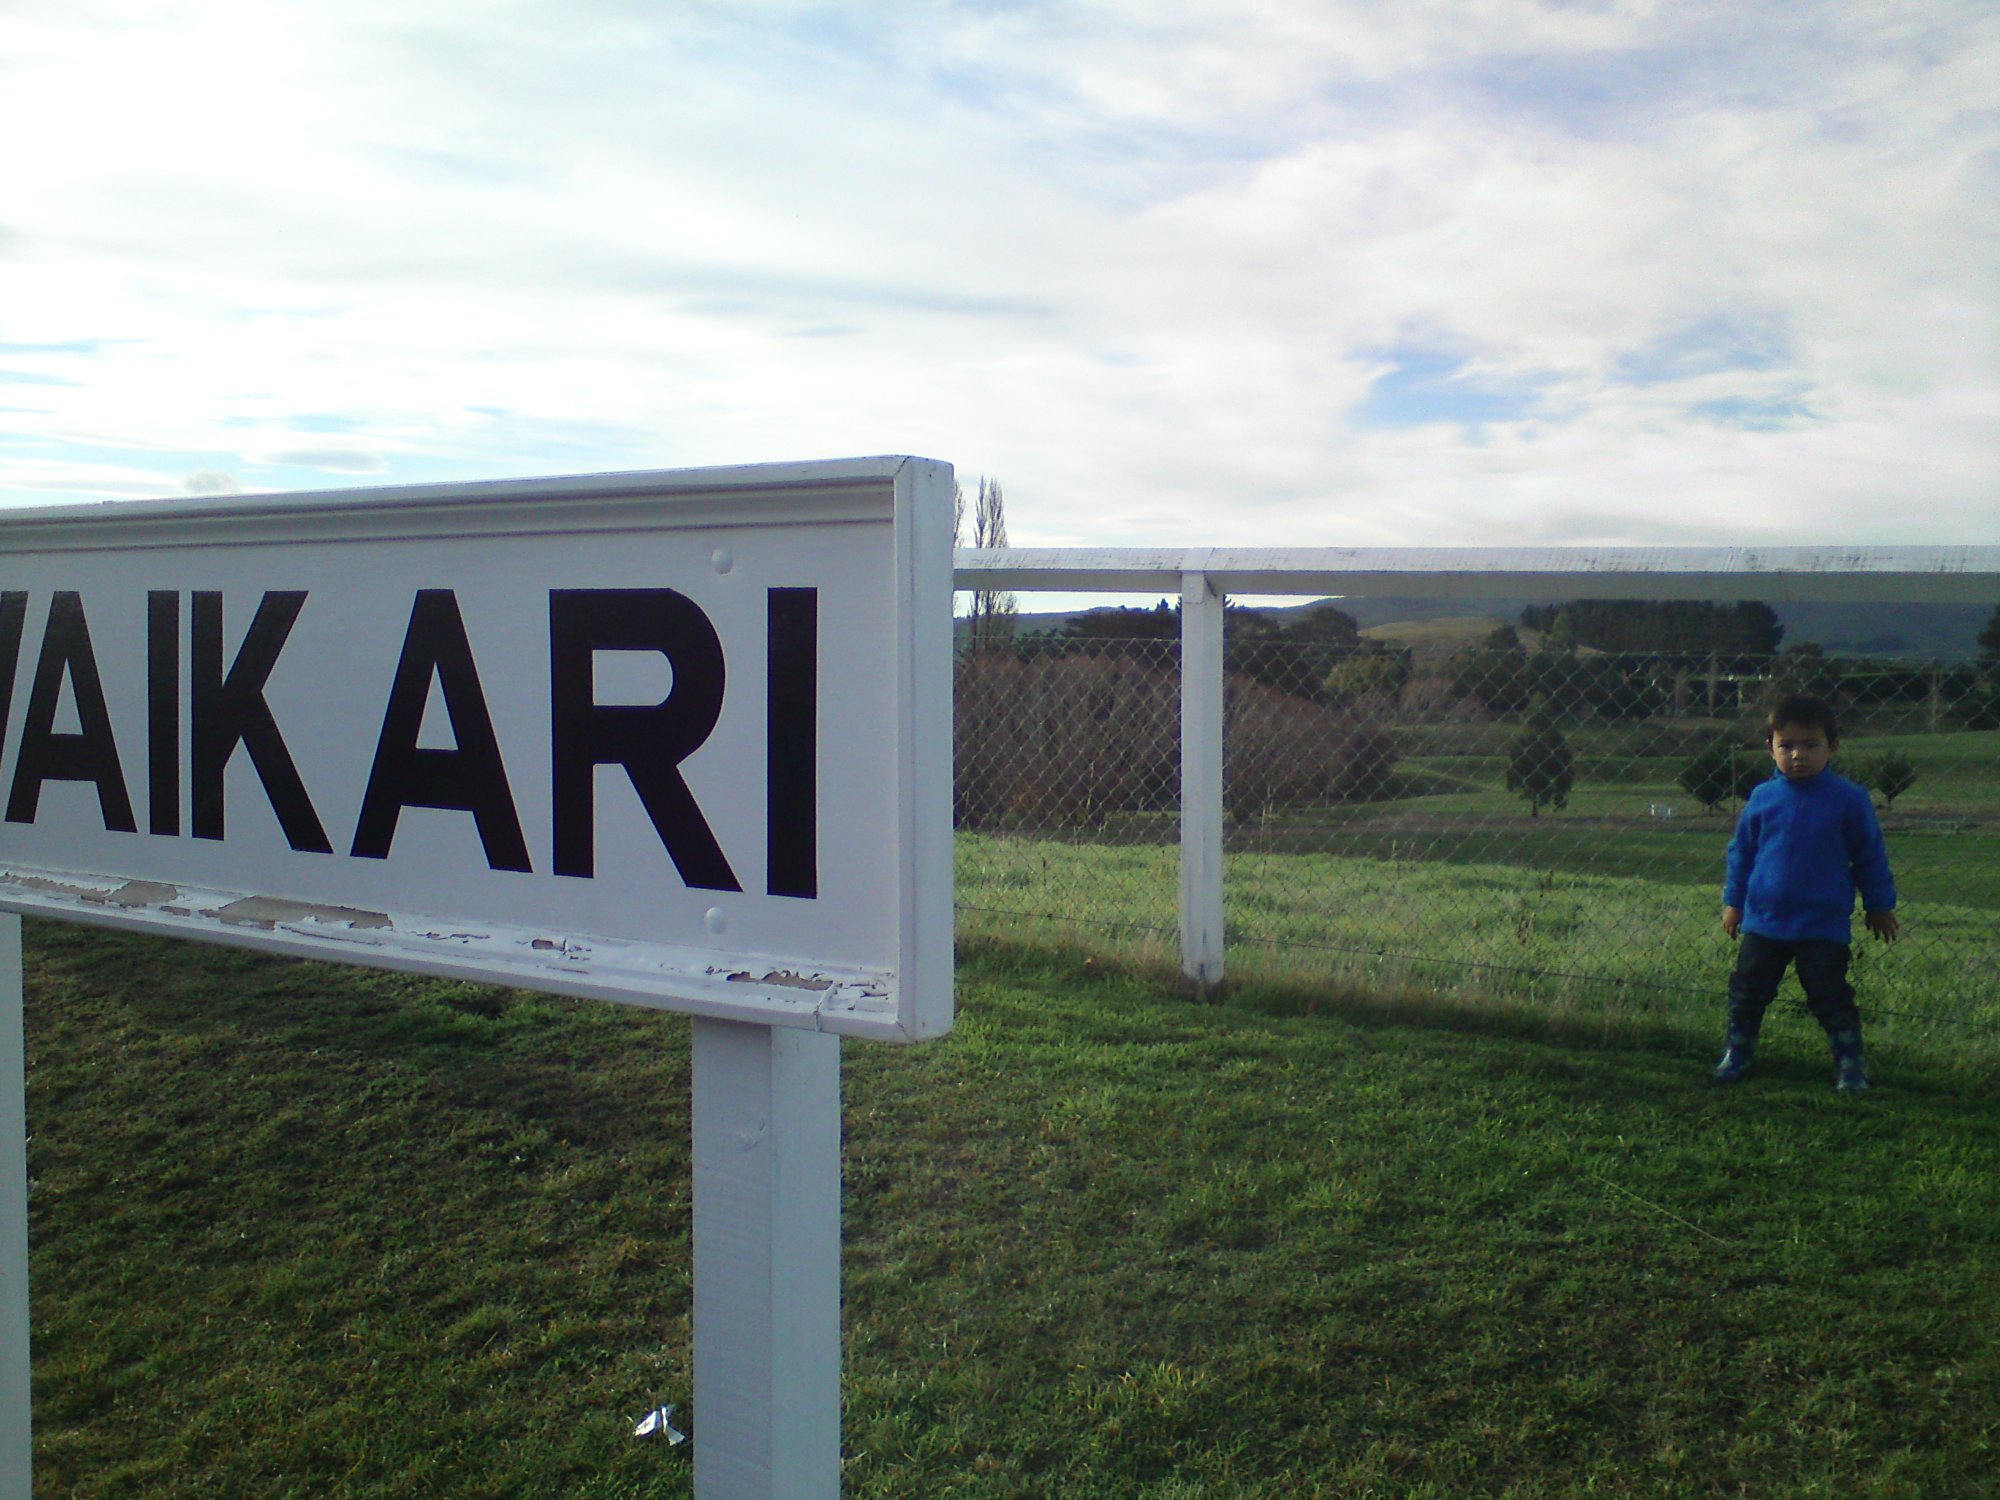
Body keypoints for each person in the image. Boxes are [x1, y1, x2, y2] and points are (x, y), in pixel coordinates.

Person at [1713, 694, 1899, 1092]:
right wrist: (1734, 902)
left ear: (1832, 747)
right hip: (1764, 922)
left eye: (1811, 745)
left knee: (1830, 996)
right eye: (1787, 745)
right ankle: (1738, 1052)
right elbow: (1741, 853)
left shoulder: (1849, 800)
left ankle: (1850, 1063)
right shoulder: (1762, 798)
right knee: (1747, 991)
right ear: (1770, 748)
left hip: (1822, 925)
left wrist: (1879, 905)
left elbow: (1870, 856)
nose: (1798, 755)